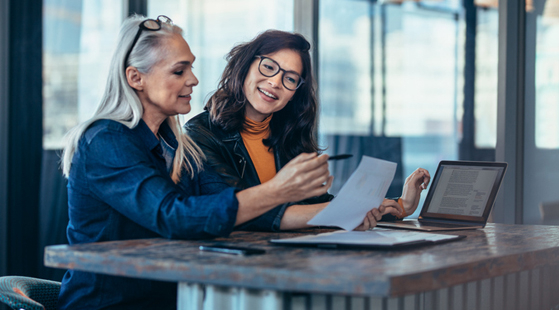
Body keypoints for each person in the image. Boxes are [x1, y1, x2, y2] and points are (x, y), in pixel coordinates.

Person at [57, 16, 384, 310]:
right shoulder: (106, 141)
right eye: (179, 71)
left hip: (176, 297)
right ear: (135, 78)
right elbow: (174, 217)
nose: (194, 80)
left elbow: (232, 205)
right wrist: (279, 189)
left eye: (191, 68)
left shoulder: (175, 144)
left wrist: (349, 212)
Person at [184, 30, 431, 229]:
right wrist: (347, 211)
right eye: (269, 67)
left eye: (290, 79)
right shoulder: (200, 134)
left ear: (294, 94)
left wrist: (401, 205)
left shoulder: (288, 135)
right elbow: (241, 211)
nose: (275, 82)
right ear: (245, 66)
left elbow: (317, 205)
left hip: (290, 261)